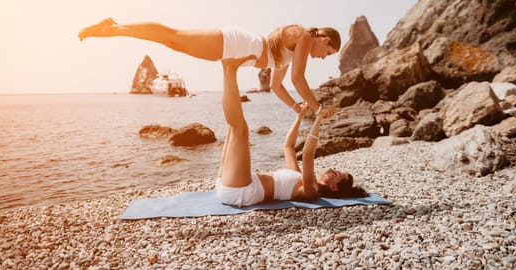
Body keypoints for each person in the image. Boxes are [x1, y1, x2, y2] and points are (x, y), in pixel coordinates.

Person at [78, 18, 340, 115]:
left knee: (175, 40)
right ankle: (112, 28)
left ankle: (113, 28)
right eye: (327, 52)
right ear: (324, 39)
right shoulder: (305, 36)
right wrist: (318, 108)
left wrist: (297, 108)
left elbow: (277, 85)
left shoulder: (290, 53)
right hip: (235, 44)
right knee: (175, 38)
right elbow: (298, 80)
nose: (323, 58)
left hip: (235, 48)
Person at [216, 56, 367, 207]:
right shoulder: (299, 177)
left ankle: (231, 70)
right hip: (231, 184)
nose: (330, 169)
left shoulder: (311, 190)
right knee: (233, 127)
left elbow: (308, 155)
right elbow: (288, 146)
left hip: (241, 191)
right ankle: (226, 68)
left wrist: (319, 118)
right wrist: (300, 117)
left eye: (335, 173)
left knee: (240, 129)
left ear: (334, 187)